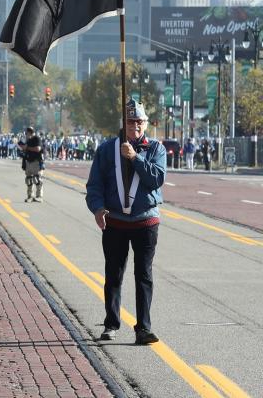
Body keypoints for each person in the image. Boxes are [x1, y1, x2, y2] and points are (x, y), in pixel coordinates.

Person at [85, 99, 166, 346]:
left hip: (146, 222)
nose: (136, 126)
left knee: (144, 275)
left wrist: (135, 158)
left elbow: (156, 179)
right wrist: (98, 208)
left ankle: (143, 328)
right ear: (124, 123)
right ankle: (111, 323)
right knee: (114, 274)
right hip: (116, 223)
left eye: (140, 121)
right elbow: (95, 184)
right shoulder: (107, 149)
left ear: (145, 123)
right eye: (131, 121)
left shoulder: (155, 149)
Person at [18, 127, 44, 202]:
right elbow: (22, 146)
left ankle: (39, 196)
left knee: (37, 179)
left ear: (30, 132)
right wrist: (22, 147)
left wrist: (27, 148)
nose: (25, 134)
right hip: (28, 161)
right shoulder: (28, 140)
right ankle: (30, 196)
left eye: (26, 133)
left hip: (36, 161)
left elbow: (38, 149)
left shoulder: (37, 138)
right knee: (28, 179)